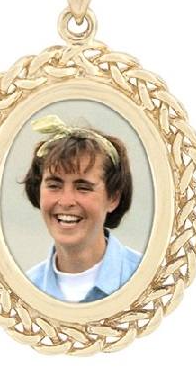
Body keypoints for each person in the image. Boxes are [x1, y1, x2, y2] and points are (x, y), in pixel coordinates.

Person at [22, 114, 142, 303]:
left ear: (113, 198)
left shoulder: (150, 279)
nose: (66, 201)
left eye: (83, 187)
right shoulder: (22, 292)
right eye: (54, 185)